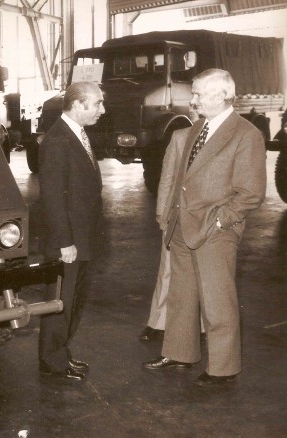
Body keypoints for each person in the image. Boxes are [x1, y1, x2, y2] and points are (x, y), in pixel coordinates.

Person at [143, 69, 266, 386]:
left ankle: (223, 369)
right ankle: (180, 353)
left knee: (217, 301)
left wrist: (222, 220)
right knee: (182, 297)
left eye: (198, 94)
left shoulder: (245, 134)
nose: (192, 100)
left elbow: (251, 192)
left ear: (223, 95)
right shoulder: (197, 128)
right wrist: (171, 217)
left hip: (215, 231)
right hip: (183, 226)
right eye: (194, 93)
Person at [37, 81, 105, 381]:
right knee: (61, 302)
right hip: (68, 241)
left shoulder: (77, 135)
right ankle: (52, 361)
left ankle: (61, 355)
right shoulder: (58, 141)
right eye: (97, 104)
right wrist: (64, 242)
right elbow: (52, 196)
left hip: (82, 238)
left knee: (73, 300)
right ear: (77, 104)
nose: (102, 110)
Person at [139, 106, 205, 343]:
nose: (198, 110)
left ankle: (202, 327)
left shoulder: (226, 138)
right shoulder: (179, 137)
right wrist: (161, 214)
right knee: (167, 270)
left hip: (207, 219)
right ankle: (158, 323)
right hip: (177, 216)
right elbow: (167, 177)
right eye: (195, 108)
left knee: (206, 274)